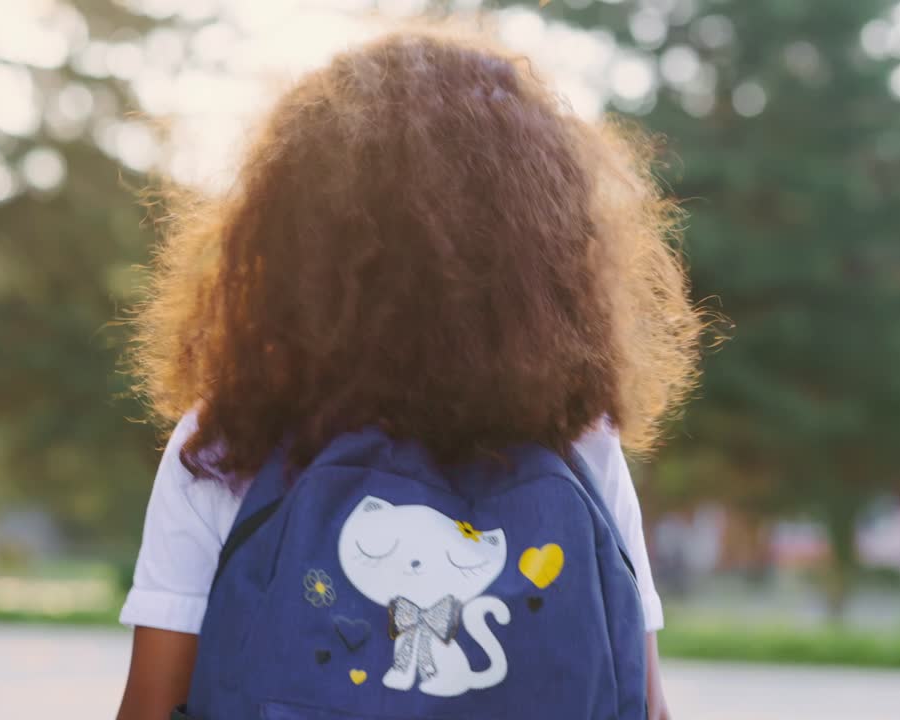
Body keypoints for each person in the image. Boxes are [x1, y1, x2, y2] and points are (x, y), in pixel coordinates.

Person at [117, 27, 700, 720]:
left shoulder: (229, 440)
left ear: (292, 233)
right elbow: (646, 706)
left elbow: (151, 706)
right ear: (540, 244)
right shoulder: (579, 442)